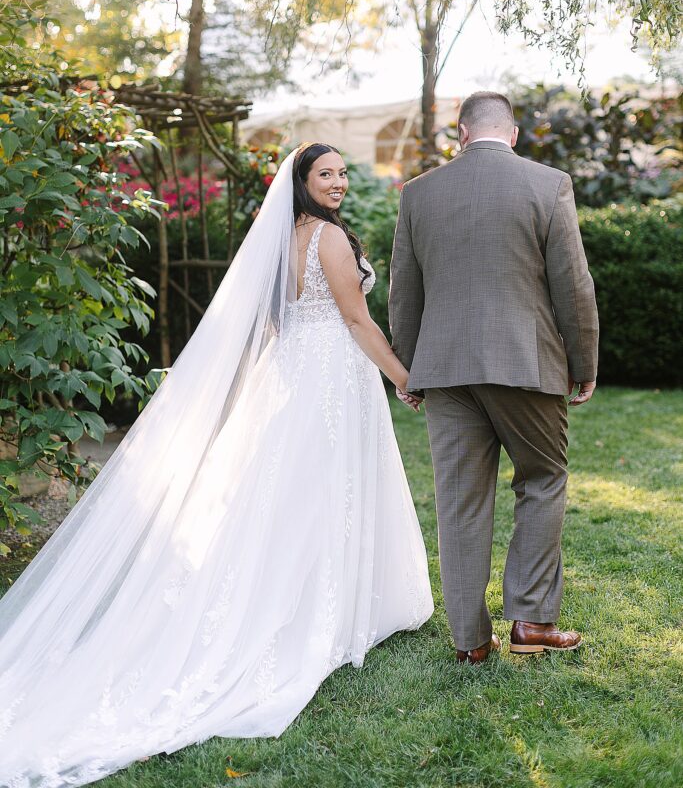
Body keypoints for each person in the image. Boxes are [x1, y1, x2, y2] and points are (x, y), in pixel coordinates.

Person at [0, 143, 433, 788]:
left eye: (343, 173)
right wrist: (405, 378)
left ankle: (319, 596)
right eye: (327, 175)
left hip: (296, 376)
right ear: (302, 182)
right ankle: (321, 608)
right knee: (323, 494)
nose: (339, 183)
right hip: (331, 380)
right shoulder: (331, 242)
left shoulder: (282, 239)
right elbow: (356, 320)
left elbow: (271, 326)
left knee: (295, 496)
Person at [389, 91, 599, 664]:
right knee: (543, 477)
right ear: (512, 133)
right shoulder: (548, 184)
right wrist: (583, 365)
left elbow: (403, 290)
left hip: (446, 369)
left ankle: (470, 642)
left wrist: (408, 368)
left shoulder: (419, 193)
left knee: (459, 501)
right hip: (525, 365)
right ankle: (531, 622)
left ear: (460, 133)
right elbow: (573, 288)